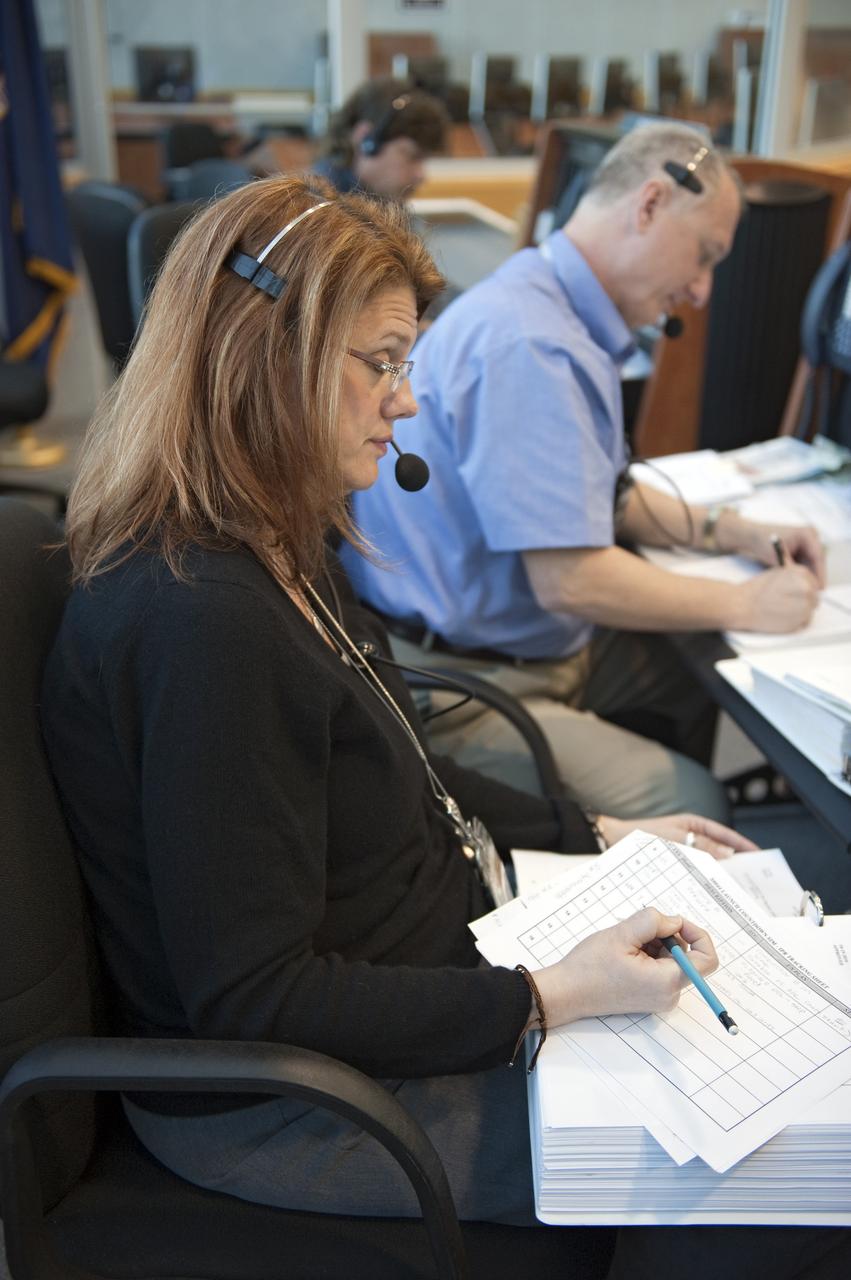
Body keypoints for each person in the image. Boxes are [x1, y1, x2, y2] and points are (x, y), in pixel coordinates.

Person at [39, 174, 847, 1279]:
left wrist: (598, 828)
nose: (405, 402)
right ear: (264, 355)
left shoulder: (278, 544)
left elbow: (408, 771)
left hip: (424, 974)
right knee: (765, 1173)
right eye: (380, 364)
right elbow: (258, 994)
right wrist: (549, 994)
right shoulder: (202, 622)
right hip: (302, 1103)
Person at [343, 122, 824, 825]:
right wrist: (746, 606)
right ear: (650, 204)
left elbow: (591, 491)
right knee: (689, 798)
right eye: (703, 256)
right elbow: (569, 576)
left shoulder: (545, 302)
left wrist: (730, 530)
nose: (700, 289)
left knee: (694, 674)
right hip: (462, 683)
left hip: (512, 644)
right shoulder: (532, 345)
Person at [313, 75, 449, 201]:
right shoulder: (320, 212)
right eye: (412, 156)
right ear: (366, 140)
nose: (420, 175)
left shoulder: (379, 203)